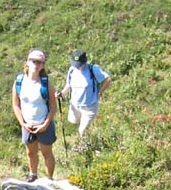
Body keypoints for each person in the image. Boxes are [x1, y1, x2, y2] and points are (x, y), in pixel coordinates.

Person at [11, 49, 58, 182]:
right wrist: (23, 123)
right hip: (27, 125)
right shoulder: (19, 81)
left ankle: (49, 179)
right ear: (27, 62)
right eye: (34, 61)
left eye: (40, 62)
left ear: (43, 65)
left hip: (43, 124)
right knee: (30, 153)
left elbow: (53, 106)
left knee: (46, 153)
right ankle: (33, 175)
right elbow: (16, 105)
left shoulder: (46, 83)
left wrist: (45, 124)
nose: (36, 64)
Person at [56, 49, 111, 137]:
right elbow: (69, 85)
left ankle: (83, 143)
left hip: (89, 106)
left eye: (79, 65)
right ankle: (83, 136)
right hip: (75, 104)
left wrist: (100, 92)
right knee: (74, 122)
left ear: (85, 62)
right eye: (75, 65)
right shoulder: (72, 70)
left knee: (82, 130)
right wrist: (61, 93)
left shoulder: (93, 68)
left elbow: (108, 80)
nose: (77, 67)